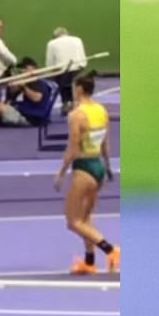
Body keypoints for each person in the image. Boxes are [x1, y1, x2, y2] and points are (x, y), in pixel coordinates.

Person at [54, 71, 118, 275]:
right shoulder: (101, 110)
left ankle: (110, 249)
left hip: (83, 168)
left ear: (80, 89)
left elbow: (72, 147)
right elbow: (106, 142)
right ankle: (89, 262)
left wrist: (61, 172)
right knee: (85, 218)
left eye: (74, 88)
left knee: (73, 221)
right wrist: (107, 166)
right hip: (97, 166)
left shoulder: (77, 115)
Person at [0, 57, 56, 126]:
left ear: (33, 68)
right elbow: (9, 100)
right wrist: (13, 87)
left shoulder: (39, 83)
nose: (22, 70)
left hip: (32, 118)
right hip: (22, 112)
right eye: (22, 68)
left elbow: (37, 98)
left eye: (25, 68)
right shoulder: (26, 81)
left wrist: (23, 87)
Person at [46, 26, 88, 114]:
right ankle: (74, 102)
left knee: (62, 80)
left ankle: (66, 102)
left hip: (62, 70)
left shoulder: (52, 43)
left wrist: (51, 74)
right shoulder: (77, 40)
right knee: (69, 81)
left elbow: (50, 62)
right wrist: (82, 66)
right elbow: (83, 58)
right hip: (78, 68)